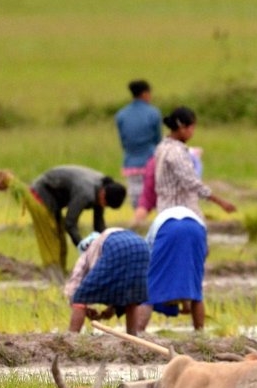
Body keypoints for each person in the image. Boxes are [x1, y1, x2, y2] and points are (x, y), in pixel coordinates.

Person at [31, 165, 128, 272]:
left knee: (61, 242)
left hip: (57, 199)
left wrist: (107, 245)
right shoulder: (85, 193)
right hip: (42, 191)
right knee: (53, 237)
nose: (104, 206)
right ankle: (52, 274)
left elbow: (98, 225)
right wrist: (84, 247)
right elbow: (69, 223)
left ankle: (60, 272)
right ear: (103, 194)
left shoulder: (102, 186)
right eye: (105, 204)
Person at [153, 106, 235, 220]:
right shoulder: (176, 152)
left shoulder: (162, 147)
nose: (193, 133)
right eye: (192, 128)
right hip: (181, 213)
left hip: (163, 210)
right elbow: (191, 182)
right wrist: (220, 202)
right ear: (182, 127)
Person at [64, 228, 150, 335]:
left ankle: (71, 337)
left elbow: (77, 280)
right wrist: (113, 308)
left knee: (79, 298)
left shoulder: (89, 250)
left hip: (116, 247)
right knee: (131, 299)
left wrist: (79, 302)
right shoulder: (110, 238)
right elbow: (119, 284)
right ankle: (133, 337)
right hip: (142, 247)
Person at [137, 206, 209, 331]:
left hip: (168, 228)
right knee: (195, 288)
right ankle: (200, 332)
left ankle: (138, 331)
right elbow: (201, 255)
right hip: (197, 229)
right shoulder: (192, 218)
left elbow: (149, 258)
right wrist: (186, 301)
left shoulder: (150, 235)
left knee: (149, 289)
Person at [115, 79, 163, 225]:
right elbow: (158, 140)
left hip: (130, 163)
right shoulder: (153, 113)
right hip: (150, 161)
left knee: (137, 201)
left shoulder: (121, 115)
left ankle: (137, 226)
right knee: (156, 197)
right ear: (145, 94)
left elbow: (123, 141)